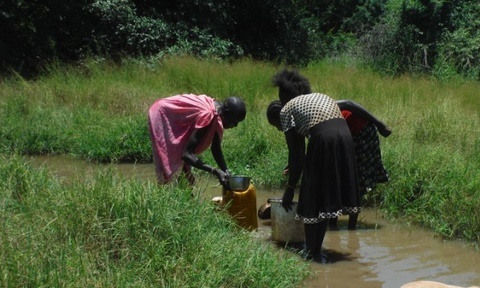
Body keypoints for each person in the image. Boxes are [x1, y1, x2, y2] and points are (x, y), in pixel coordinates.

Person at [266, 69, 360, 262]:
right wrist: (296, 167)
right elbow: (303, 152)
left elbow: (297, 154)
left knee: (310, 195)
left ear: (284, 96)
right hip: (345, 138)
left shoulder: (286, 109)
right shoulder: (317, 97)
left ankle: (311, 251)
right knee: (324, 196)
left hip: (324, 139)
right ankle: (315, 249)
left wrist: (290, 189)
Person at [148, 94, 246, 186]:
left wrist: (225, 170)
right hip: (163, 114)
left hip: (172, 116)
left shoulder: (218, 112)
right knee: (170, 163)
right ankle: (166, 194)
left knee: (184, 178)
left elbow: (216, 148)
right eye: (234, 121)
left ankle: (183, 194)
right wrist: (214, 171)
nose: (235, 125)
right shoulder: (208, 115)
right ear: (226, 113)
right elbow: (187, 155)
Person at [333, 100, 391, 229]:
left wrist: (380, 124)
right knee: (337, 178)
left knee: (356, 179)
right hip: (347, 133)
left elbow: (349, 103)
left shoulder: (319, 104)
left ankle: (350, 227)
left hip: (361, 132)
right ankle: (334, 223)